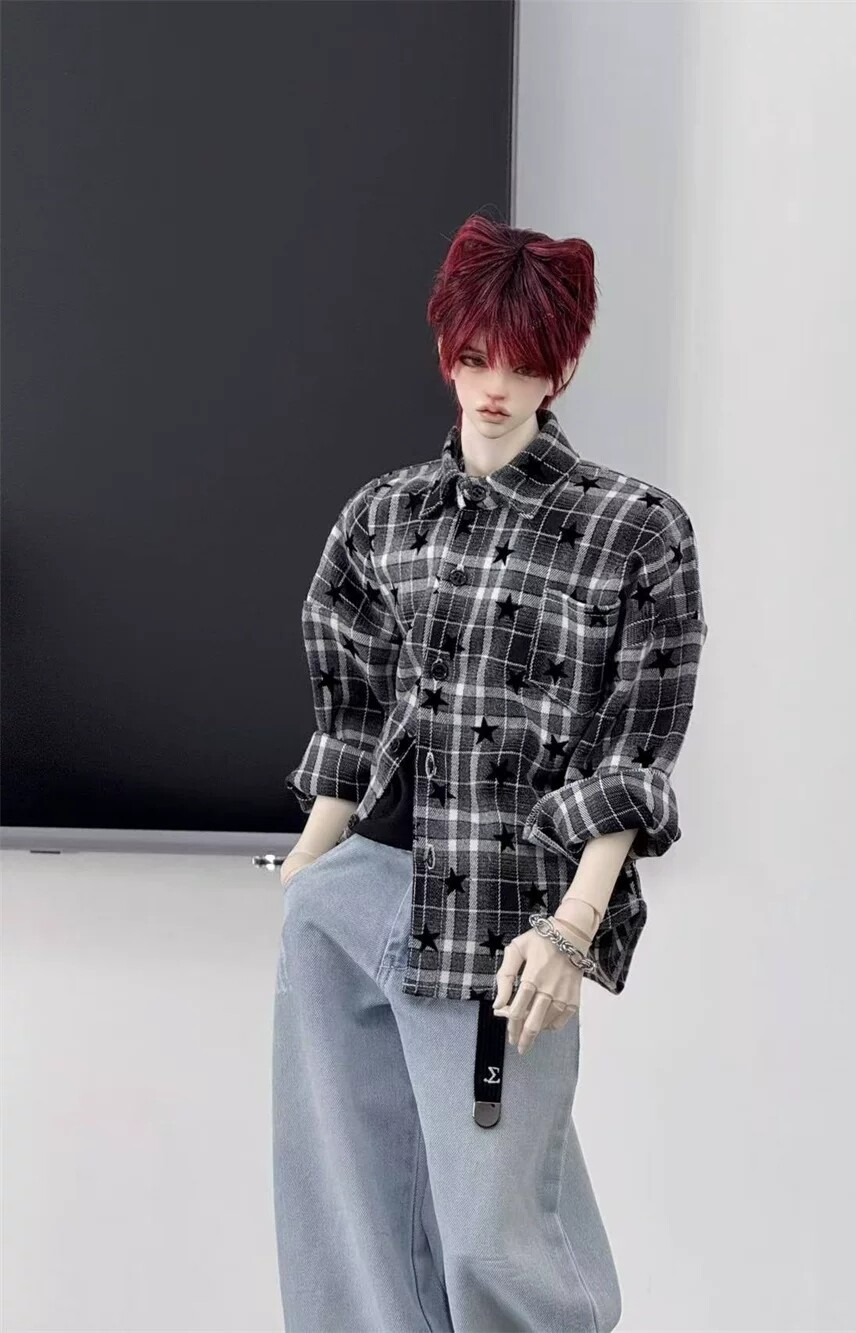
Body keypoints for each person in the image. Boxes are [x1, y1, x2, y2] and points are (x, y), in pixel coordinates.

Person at [272, 213, 708, 1332]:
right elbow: (352, 699)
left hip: (508, 920)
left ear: (563, 367)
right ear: (446, 351)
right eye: (475, 356)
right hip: (354, 898)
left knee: (495, 1240)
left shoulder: (634, 529)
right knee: (349, 1226)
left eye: (523, 361)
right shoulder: (385, 515)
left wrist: (573, 928)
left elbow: (635, 748)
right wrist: (312, 863)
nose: (496, 386)